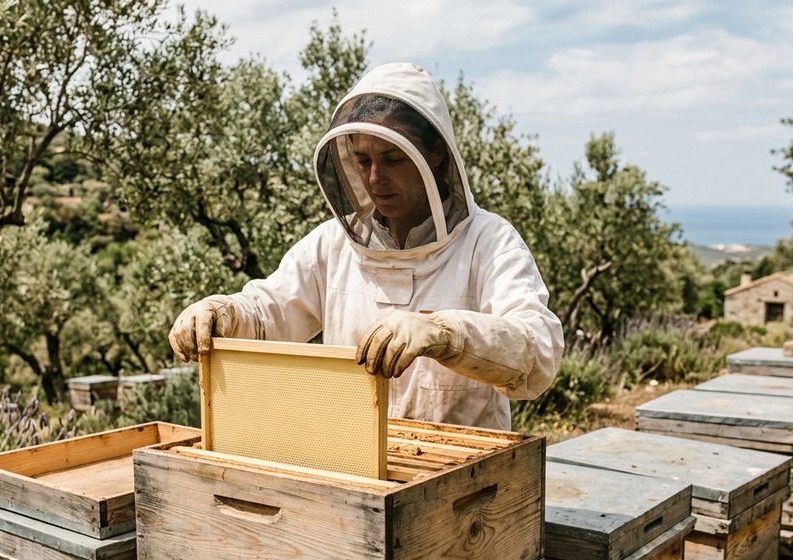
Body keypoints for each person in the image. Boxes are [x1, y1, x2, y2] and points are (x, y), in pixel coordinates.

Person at [169, 62, 563, 430]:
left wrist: (447, 333)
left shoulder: (489, 242)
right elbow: (269, 313)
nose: (375, 178)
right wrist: (224, 312)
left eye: (393, 159)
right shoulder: (332, 245)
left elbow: (538, 353)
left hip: (466, 477)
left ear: (436, 154)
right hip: (353, 462)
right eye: (362, 160)